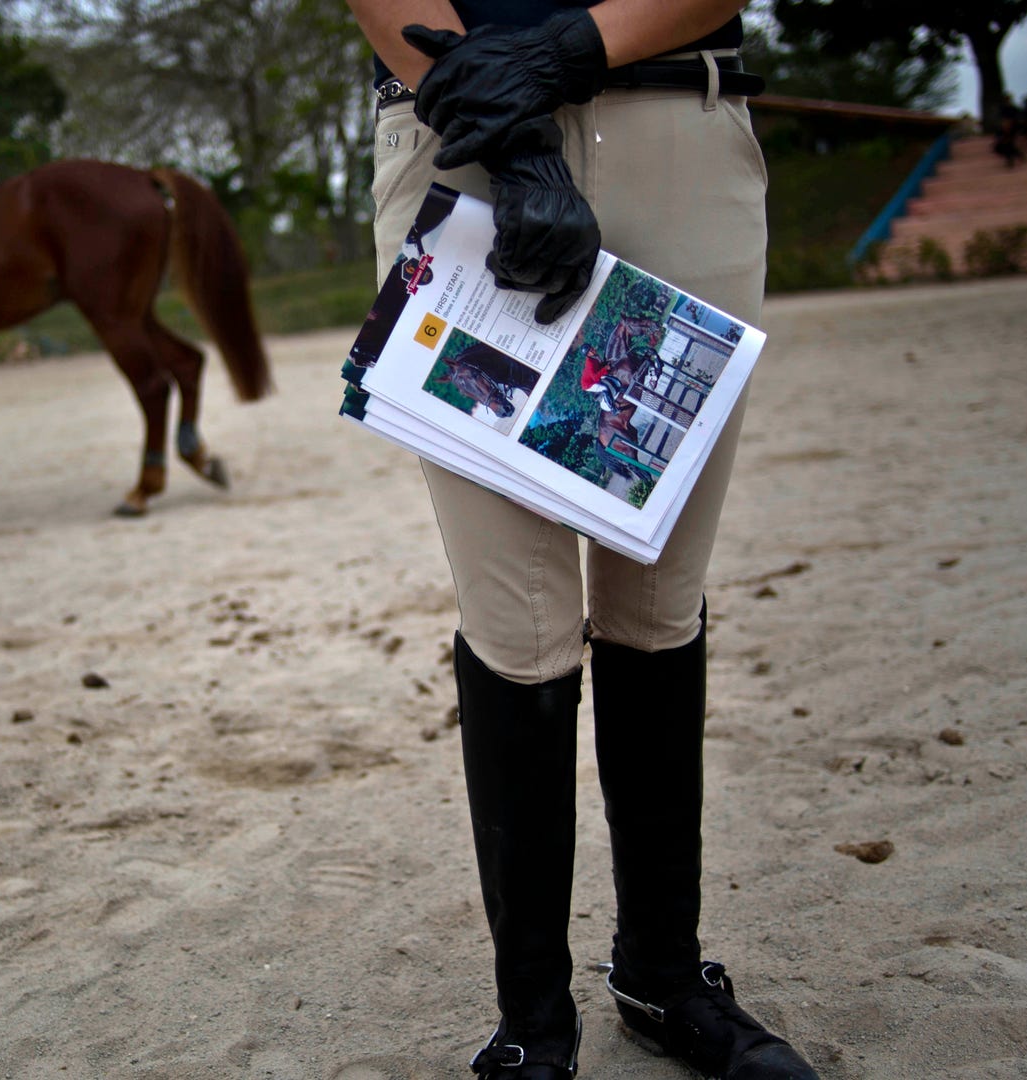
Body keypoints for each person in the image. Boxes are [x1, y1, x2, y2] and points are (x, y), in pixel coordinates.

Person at [344, 2, 820, 1078]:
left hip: (677, 145)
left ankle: (660, 972)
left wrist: (567, 50)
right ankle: (533, 1021)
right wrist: (517, 145)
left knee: (658, 594)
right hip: (458, 149)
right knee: (518, 621)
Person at [992, 94, 1026, 168]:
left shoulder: (1014, 109)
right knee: (1001, 146)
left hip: (1012, 130)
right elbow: (999, 122)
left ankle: (1012, 159)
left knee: (1008, 144)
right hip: (1004, 131)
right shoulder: (1001, 110)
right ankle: (1018, 155)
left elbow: (1020, 120)